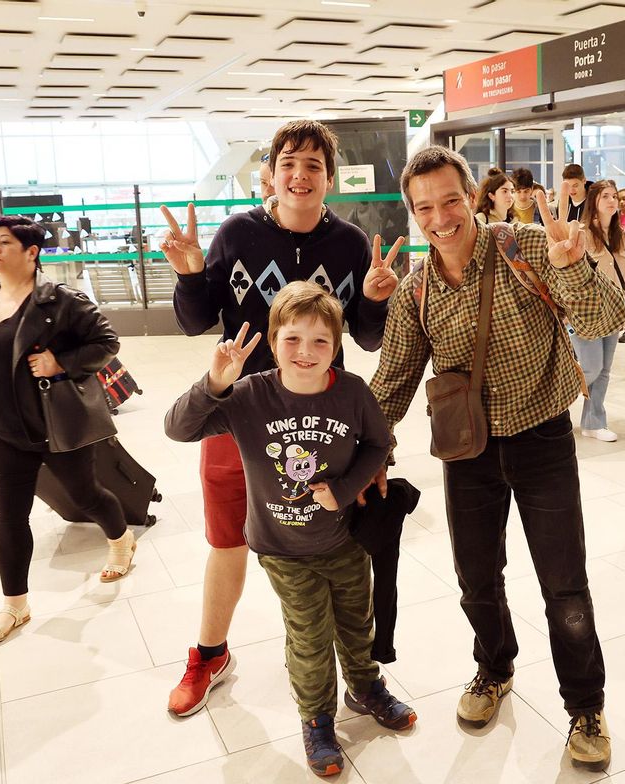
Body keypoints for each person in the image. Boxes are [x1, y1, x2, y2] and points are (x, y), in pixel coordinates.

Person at [369, 145, 625, 772]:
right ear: (413, 212)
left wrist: (572, 266)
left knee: (564, 586)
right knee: (476, 581)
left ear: (471, 198)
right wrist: (367, 451)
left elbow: (606, 316)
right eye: (424, 207)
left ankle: (585, 707)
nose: (440, 217)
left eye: (450, 200)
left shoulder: (529, 248)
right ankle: (495, 667)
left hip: (542, 440)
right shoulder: (417, 291)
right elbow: (394, 377)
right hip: (469, 452)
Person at [160, 119, 400, 718]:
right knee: (227, 539)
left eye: (313, 166)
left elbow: (365, 340)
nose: (299, 175)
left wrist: (373, 299)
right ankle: (209, 652)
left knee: (332, 539)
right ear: (269, 172)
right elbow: (195, 322)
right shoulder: (237, 233)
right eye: (288, 162)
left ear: (329, 179)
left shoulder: (348, 243)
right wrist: (191, 273)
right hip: (241, 414)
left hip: (322, 421)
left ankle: (359, 676)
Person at [165, 282, 415, 777]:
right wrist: (214, 383)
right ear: (273, 341)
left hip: (346, 539)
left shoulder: (351, 391)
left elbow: (377, 443)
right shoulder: (247, 397)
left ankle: (365, 688)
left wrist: (343, 491)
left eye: (320, 341)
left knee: (356, 622)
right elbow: (178, 428)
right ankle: (317, 718)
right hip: (282, 547)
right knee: (309, 636)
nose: (306, 352)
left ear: (337, 346)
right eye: (292, 339)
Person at [0, 216, 135, 645]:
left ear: (32, 252)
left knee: (84, 495)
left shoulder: (60, 300)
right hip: (4, 432)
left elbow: (107, 341)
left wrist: (62, 363)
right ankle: (15, 606)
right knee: (9, 518)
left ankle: (121, 540)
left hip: (53, 426)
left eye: (5, 243)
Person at [574, 180, 625, 441]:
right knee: (591, 368)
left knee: (604, 370)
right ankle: (550, 404)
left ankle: (594, 422)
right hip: (585, 314)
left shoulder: (623, 237)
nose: (612, 201)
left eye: (614, 196)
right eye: (605, 196)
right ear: (594, 201)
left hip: (614, 314)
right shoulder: (580, 235)